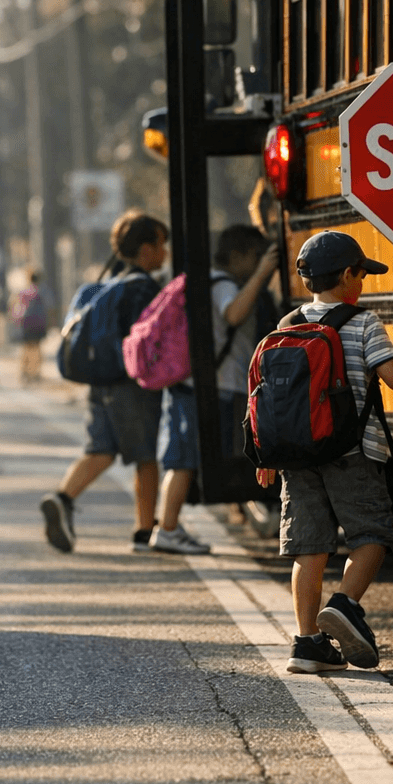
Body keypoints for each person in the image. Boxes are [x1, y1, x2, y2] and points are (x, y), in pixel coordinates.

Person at [271, 231, 393, 675]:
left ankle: (307, 644)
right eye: (362, 274)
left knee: (308, 549)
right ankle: (345, 604)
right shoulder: (363, 323)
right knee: (372, 537)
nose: (364, 282)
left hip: (298, 455)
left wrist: (270, 456)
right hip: (353, 450)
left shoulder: (286, 325)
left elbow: (275, 399)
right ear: (348, 275)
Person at [40, 211, 169, 554]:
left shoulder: (103, 285)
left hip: (99, 382)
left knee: (100, 449)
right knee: (145, 456)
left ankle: (63, 497)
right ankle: (144, 530)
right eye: (161, 244)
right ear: (146, 249)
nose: (165, 252)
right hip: (131, 383)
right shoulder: (143, 288)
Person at [151, 225, 279, 555]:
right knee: (184, 461)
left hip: (196, 385)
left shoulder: (208, 280)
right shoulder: (222, 283)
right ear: (237, 256)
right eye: (254, 257)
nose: (256, 263)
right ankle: (167, 528)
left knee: (186, 458)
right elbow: (234, 313)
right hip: (207, 387)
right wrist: (264, 272)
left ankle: (169, 526)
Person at [10, 269, 49, 386]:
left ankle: (24, 372)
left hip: (26, 324)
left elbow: (14, 307)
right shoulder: (44, 291)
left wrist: (15, 321)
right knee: (37, 349)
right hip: (39, 324)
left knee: (25, 348)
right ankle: (36, 373)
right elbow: (50, 308)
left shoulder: (23, 292)